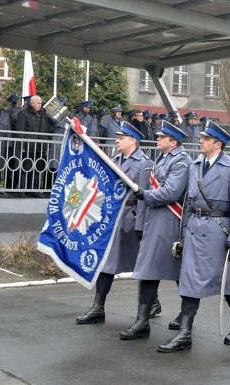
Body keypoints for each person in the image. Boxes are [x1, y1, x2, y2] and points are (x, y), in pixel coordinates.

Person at [157, 121, 230, 352]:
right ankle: (185, 333)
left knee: (227, 280)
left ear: (218, 144)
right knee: (189, 280)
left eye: (206, 139)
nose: (201, 141)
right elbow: (188, 203)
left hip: (219, 231)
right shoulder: (195, 165)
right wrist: (184, 232)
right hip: (196, 229)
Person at [120, 121, 192, 340]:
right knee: (149, 270)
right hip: (155, 220)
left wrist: (145, 195)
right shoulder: (163, 158)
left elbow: (170, 192)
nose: (157, 139)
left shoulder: (182, 161)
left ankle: (185, 315)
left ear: (173, 141)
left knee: (180, 272)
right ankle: (142, 320)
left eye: (162, 137)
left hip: (170, 221)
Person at [76, 121, 152, 325]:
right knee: (107, 264)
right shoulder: (116, 158)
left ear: (133, 141)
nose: (117, 140)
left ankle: (151, 305)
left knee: (144, 266)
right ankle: (98, 307)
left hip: (130, 218)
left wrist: (140, 224)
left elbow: (145, 196)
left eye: (122, 137)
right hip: (113, 218)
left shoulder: (144, 163)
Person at [15, 95, 49, 197]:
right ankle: (22, 190)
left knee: (37, 169)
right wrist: (22, 145)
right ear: (32, 103)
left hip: (39, 146)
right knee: (26, 168)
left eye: (41, 103)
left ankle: (34, 189)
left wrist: (45, 146)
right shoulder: (23, 113)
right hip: (28, 147)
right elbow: (20, 130)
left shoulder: (42, 114)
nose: (40, 105)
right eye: (38, 103)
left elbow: (45, 130)